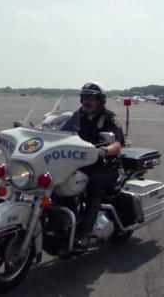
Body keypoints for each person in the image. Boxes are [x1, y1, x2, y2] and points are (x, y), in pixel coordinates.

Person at [62, 82, 124, 250]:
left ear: (100, 100)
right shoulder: (78, 115)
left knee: (93, 184)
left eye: (91, 98)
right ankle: (63, 223)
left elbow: (117, 144)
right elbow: (61, 133)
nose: (86, 101)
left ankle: (85, 233)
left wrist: (105, 150)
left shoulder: (109, 118)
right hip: (80, 164)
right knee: (60, 182)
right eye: (84, 97)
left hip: (104, 166)